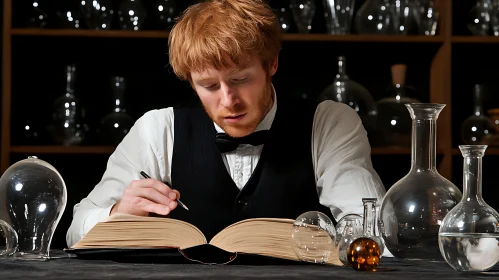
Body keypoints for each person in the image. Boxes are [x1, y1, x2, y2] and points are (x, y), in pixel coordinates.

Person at [66, 0, 386, 248]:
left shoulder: (329, 123)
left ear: (272, 62)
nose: (228, 100)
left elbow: (376, 233)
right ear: (191, 83)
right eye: (209, 86)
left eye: (241, 79)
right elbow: (76, 229)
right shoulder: (157, 130)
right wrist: (119, 213)